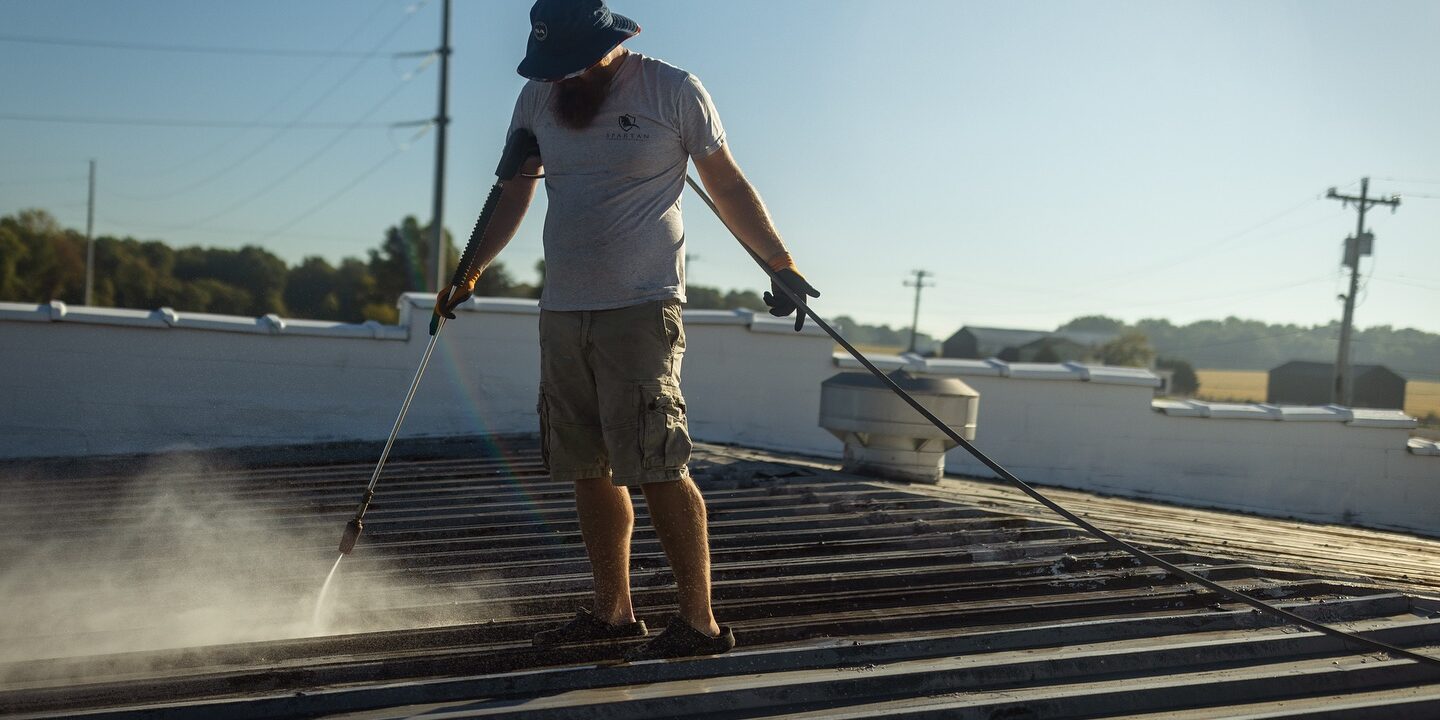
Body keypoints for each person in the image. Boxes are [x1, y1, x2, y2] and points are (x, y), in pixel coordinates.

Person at [434, 0, 819, 661]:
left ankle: (698, 624)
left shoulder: (672, 89)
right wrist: (470, 271)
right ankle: (613, 614)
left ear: (606, 44)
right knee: (588, 466)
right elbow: (512, 192)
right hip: (563, 308)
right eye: (549, 66)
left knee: (659, 463)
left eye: (569, 65)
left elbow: (725, 184)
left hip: (642, 308)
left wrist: (780, 264)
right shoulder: (537, 97)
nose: (560, 79)